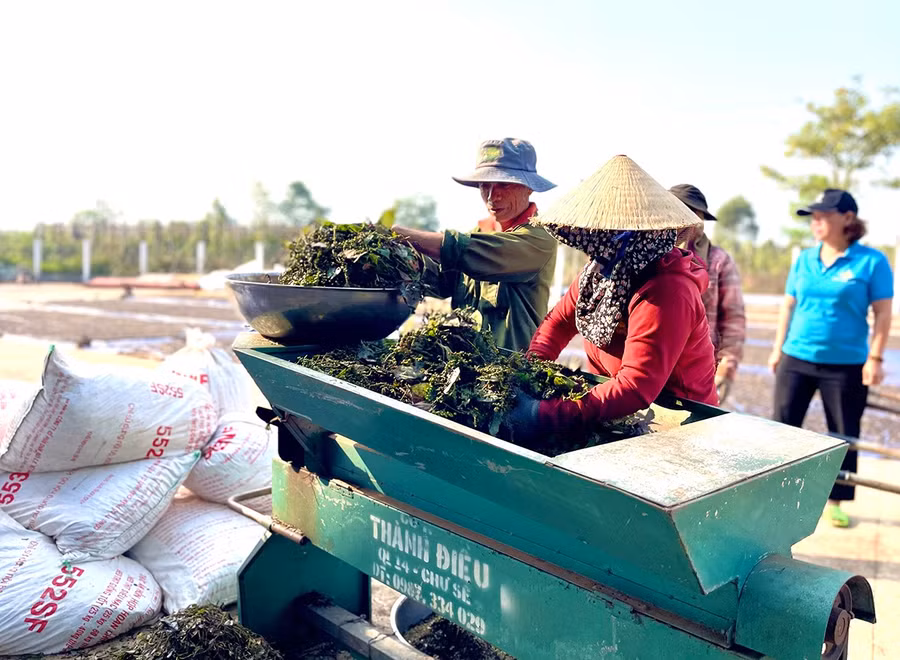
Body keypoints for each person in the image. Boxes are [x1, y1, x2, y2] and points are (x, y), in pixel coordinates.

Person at [505, 155, 718, 442]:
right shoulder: (601, 271)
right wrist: (531, 371)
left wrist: (543, 414)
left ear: (635, 234)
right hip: (612, 404)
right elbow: (557, 323)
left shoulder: (668, 289)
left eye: (605, 232)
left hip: (677, 423)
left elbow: (634, 387)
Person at [768, 189, 893, 528]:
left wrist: (876, 358)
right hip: (797, 356)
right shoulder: (805, 259)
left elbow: (883, 314)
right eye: (813, 216)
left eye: (823, 215)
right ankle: (776, 492)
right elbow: (789, 305)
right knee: (782, 427)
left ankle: (838, 500)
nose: (816, 221)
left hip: (847, 363)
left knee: (843, 434)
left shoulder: (871, 262)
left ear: (848, 219)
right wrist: (778, 348)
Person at [392, 138, 558, 352]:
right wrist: (400, 259)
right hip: (467, 363)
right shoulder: (478, 233)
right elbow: (443, 283)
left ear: (529, 188)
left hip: (509, 369)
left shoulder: (539, 237)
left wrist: (403, 235)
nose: (492, 196)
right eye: (484, 185)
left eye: (504, 184)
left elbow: (465, 251)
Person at [670, 184, 746, 403]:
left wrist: (727, 367)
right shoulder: (646, 254)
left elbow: (733, 318)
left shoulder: (718, 260)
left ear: (700, 219)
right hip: (654, 361)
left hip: (698, 369)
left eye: (693, 213)